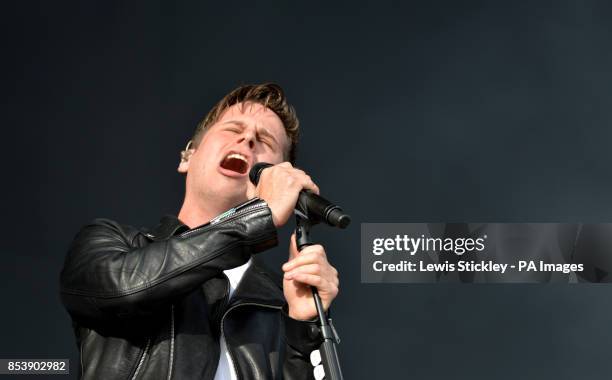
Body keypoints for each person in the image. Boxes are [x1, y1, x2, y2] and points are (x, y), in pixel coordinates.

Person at [60, 83, 340, 380]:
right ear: (187, 157)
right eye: (233, 129)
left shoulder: (279, 299)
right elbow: (125, 288)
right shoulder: (114, 241)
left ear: (279, 177)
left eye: (265, 141)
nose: (247, 140)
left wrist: (302, 326)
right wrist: (256, 219)